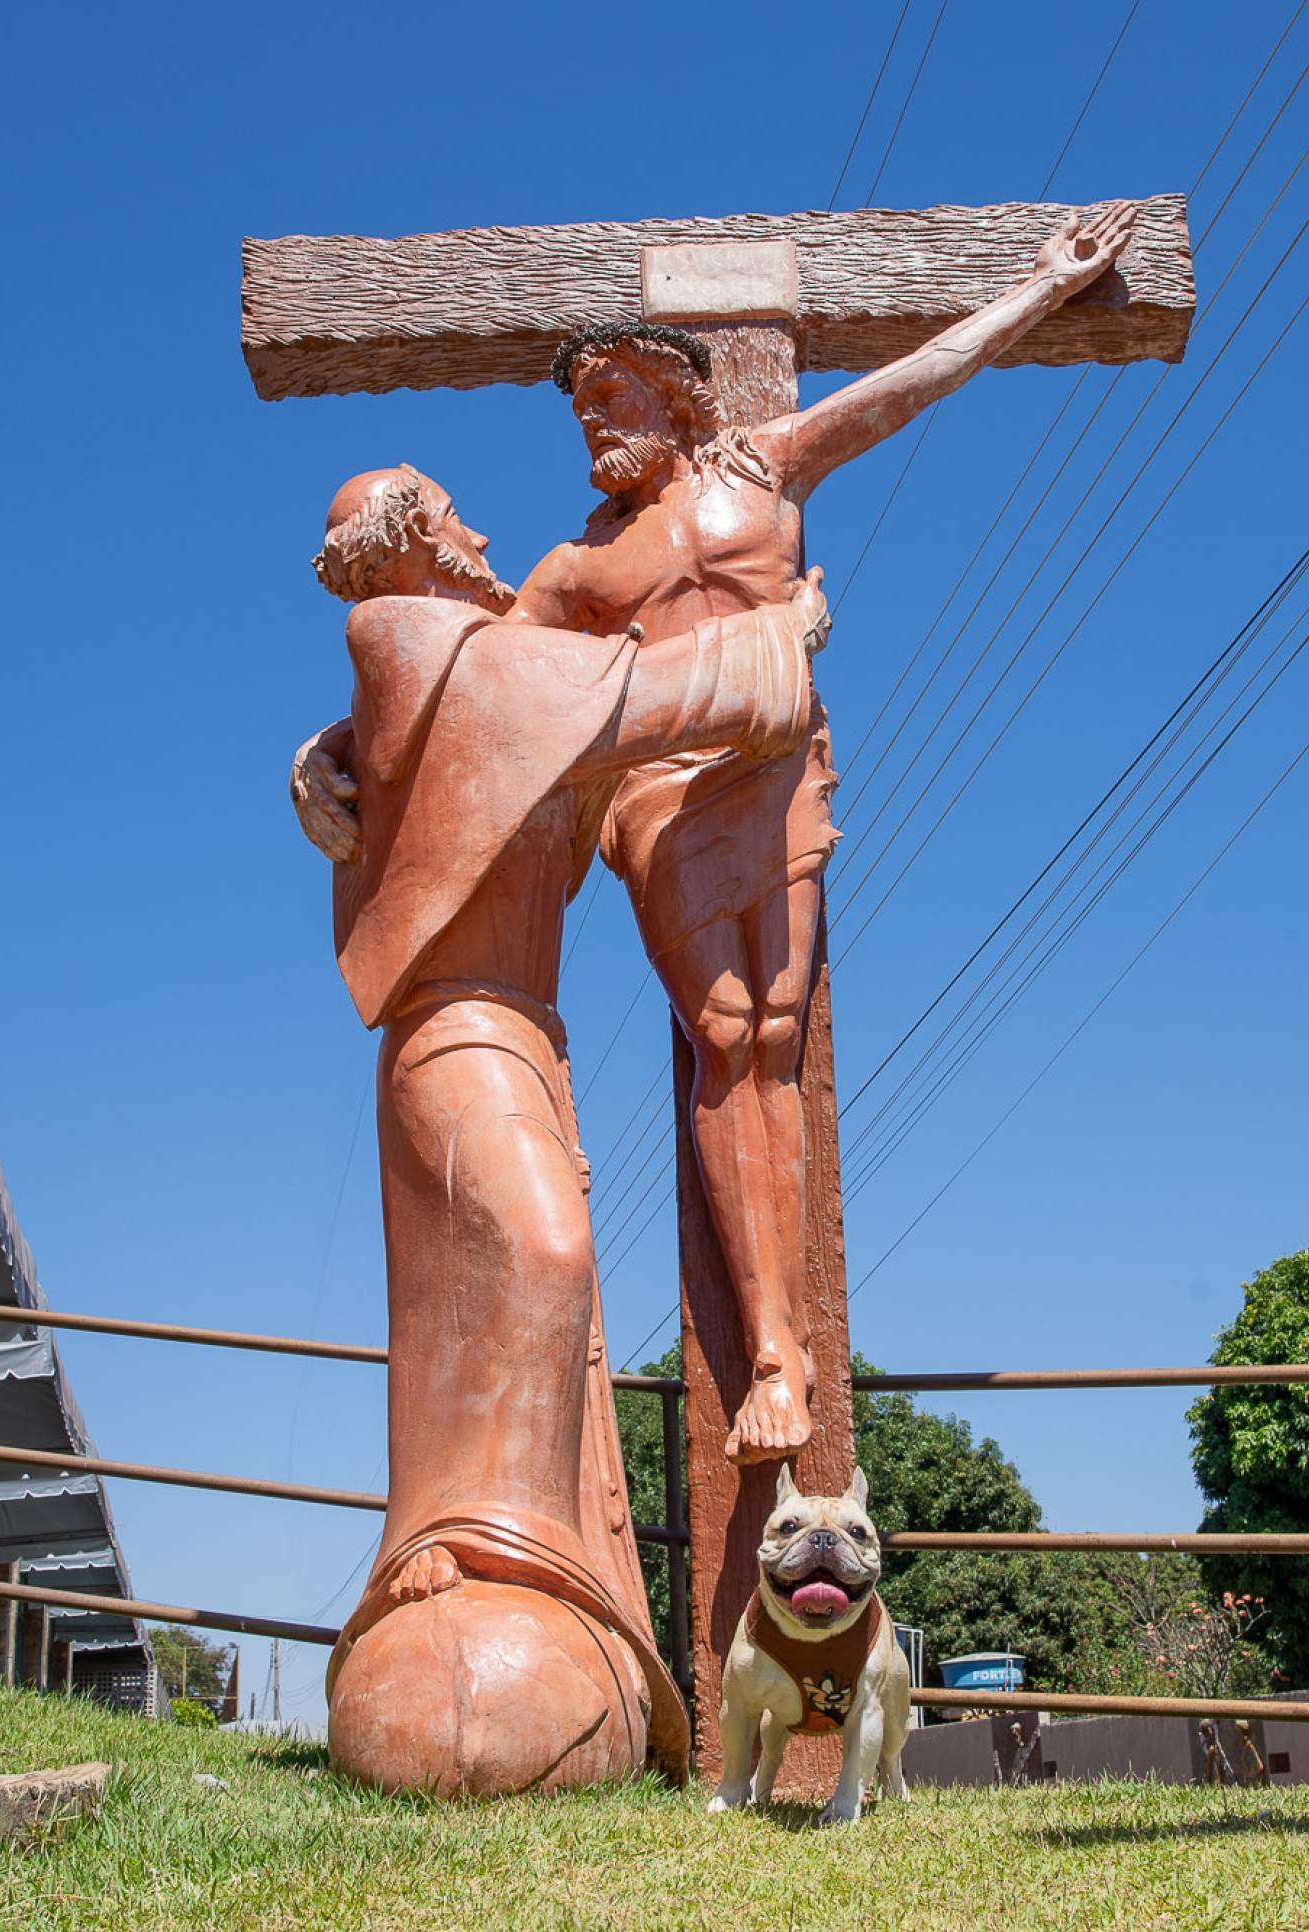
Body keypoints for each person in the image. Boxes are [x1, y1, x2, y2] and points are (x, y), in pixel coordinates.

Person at [295, 204, 1139, 1463]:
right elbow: (456, 694)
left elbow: (909, 387)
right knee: (728, 1034)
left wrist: (1034, 295)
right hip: (660, 792)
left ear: (676, 398)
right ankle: (776, 1362)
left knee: (778, 1037)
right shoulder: (571, 576)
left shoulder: (760, 467)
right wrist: (323, 756)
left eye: (613, 398)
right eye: (581, 408)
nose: (593, 426)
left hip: (778, 767)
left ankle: (787, 1341)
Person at [307, 462, 829, 1795]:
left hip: (520, 1032)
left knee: (522, 1292)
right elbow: (627, 698)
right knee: (533, 1258)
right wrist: (780, 638)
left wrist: (323, 766)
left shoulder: (465, 677)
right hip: (453, 1027)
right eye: (459, 514)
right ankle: (467, 1550)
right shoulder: (416, 639)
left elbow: (569, 751)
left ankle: (539, 1575)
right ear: (420, 538)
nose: (488, 532)